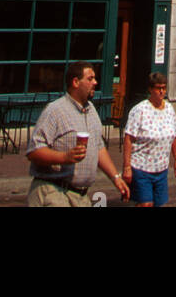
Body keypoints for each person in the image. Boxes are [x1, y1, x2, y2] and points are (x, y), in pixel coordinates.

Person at [25, 60, 129, 206]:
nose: (95, 82)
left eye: (94, 78)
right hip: (54, 191)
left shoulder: (91, 110)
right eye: (90, 78)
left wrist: (116, 177)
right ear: (75, 82)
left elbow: (98, 148)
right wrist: (64, 157)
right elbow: (34, 151)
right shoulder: (55, 110)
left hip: (80, 197)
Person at [121, 72, 176, 208]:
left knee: (160, 204)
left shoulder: (170, 109)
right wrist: (127, 167)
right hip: (141, 167)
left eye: (164, 88)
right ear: (150, 89)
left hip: (161, 168)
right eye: (158, 88)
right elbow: (129, 138)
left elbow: (174, 136)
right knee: (146, 204)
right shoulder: (139, 110)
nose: (161, 92)